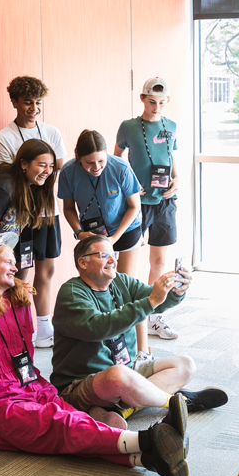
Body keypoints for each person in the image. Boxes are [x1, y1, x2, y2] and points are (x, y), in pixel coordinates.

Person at [0, 233, 190, 476]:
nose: (15, 267)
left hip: (35, 388)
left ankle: (148, 460)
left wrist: (175, 291)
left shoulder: (19, 304)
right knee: (61, 425)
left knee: (78, 422)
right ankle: (148, 439)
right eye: (7, 261)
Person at [50, 235, 228, 426]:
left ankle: (122, 409)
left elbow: (156, 301)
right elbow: (98, 328)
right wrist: (150, 301)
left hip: (127, 370)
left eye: (113, 254)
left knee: (185, 365)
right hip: (81, 382)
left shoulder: (121, 281)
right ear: (82, 262)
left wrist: (176, 292)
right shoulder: (71, 293)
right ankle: (178, 402)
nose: (112, 260)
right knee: (117, 376)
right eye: (104, 255)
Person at [59, 130, 153, 364]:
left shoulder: (120, 167)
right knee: (100, 284)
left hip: (126, 228)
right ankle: (108, 349)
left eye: (101, 160)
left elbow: (134, 206)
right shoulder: (69, 172)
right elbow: (69, 208)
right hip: (92, 233)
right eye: (89, 162)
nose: (97, 166)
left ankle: (143, 351)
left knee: (129, 289)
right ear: (77, 157)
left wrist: (114, 238)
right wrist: (80, 232)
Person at [0, 76, 67, 348]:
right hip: (18, 216)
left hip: (47, 212)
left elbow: (57, 172)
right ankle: (15, 328)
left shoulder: (52, 132)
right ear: (14, 102)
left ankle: (44, 329)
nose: (33, 108)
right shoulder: (3, 137)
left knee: (47, 270)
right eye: (27, 102)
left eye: (38, 103)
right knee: (20, 272)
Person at [115, 77, 180, 340]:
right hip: (136, 203)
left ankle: (154, 317)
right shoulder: (129, 127)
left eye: (162, 103)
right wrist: (129, 183)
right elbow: (116, 157)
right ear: (142, 99)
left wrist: (177, 180)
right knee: (129, 262)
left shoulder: (171, 126)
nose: (157, 107)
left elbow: (171, 157)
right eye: (152, 102)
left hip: (165, 200)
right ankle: (124, 314)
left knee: (159, 260)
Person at [0, 138, 57, 269]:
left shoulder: (35, 185)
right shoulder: (3, 186)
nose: (48, 171)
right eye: (42, 165)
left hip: (0, 245)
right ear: (24, 164)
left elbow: (17, 229)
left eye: (51, 166)